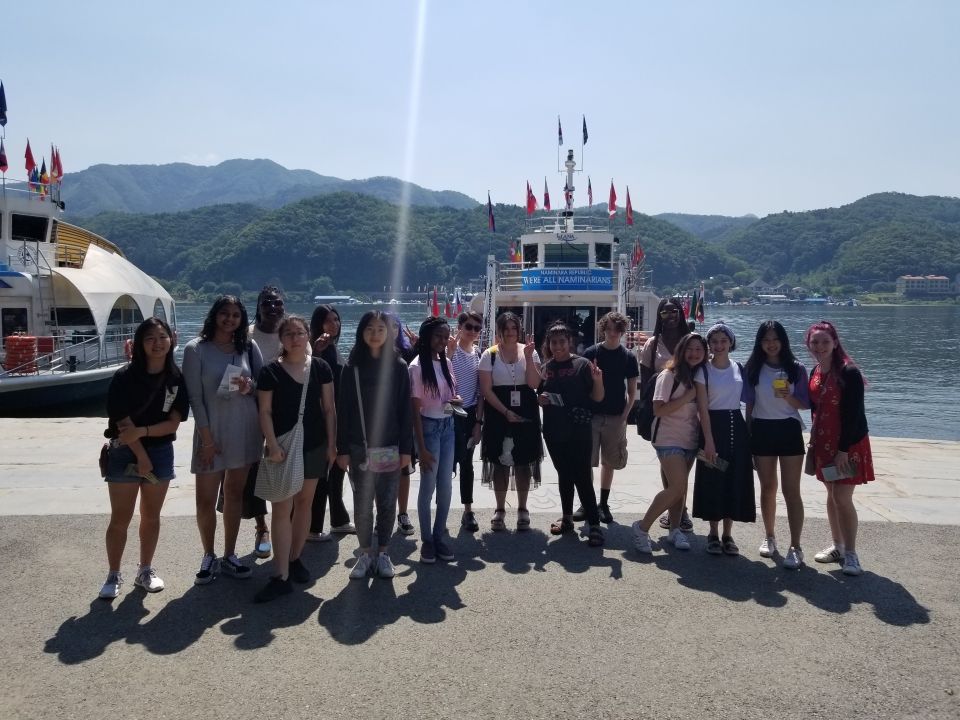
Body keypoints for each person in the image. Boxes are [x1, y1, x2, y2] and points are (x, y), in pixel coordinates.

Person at [98, 318, 189, 598]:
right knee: (120, 518)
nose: (157, 343)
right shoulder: (124, 377)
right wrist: (141, 454)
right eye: (150, 338)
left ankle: (145, 569)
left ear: (171, 340)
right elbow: (122, 422)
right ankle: (113, 574)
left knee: (151, 516)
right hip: (126, 452)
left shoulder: (176, 378)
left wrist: (145, 432)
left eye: (162, 337)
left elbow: (174, 423)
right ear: (140, 343)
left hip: (160, 452)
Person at [253, 316, 336, 602]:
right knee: (281, 507)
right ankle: (280, 574)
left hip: (314, 444)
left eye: (300, 333)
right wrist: (272, 445)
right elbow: (264, 412)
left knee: (304, 504)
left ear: (308, 335)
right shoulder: (269, 372)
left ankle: (294, 557)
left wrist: (332, 445)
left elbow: (328, 409)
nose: (295, 338)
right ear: (281, 339)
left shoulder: (321, 368)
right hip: (283, 446)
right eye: (288, 334)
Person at [182, 295, 263, 584]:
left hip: (243, 429)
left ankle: (229, 554)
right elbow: (194, 398)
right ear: (215, 315)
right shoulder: (196, 349)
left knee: (234, 495)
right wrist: (206, 439)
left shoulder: (248, 347)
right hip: (210, 433)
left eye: (236, 315)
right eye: (225, 314)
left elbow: (261, 389)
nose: (230, 319)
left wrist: (248, 386)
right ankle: (208, 555)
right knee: (205, 500)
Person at [337, 311, 414, 579]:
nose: (375, 333)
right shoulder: (351, 368)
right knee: (361, 503)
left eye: (381, 329)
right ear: (361, 332)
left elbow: (405, 411)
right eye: (370, 328)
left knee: (387, 502)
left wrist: (408, 450)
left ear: (389, 333)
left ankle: (383, 552)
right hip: (359, 446)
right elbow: (342, 411)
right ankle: (365, 552)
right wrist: (342, 449)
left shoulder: (398, 366)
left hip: (390, 445)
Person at [805, 320, 875, 576]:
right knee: (832, 496)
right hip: (824, 444)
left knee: (843, 498)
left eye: (825, 341)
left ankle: (852, 554)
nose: (820, 346)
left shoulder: (849, 372)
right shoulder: (815, 371)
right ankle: (837, 546)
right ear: (808, 344)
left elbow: (855, 414)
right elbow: (815, 409)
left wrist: (843, 450)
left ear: (835, 343)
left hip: (848, 445)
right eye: (815, 342)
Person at [632, 333, 709, 554]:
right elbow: (659, 409)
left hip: (690, 439)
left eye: (699, 350)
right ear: (682, 351)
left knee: (677, 489)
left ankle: (675, 529)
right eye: (690, 349)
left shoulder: (701, 376)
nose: (694, 354)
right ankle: (642, 527)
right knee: (678, 487)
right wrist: (688, 397)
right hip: (667, 438)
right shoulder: (669, 375)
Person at [743, 321, 810, 569]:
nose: (771, 344)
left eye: (775, 339)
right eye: (766, 339)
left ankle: (796, 545)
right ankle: (769, 536)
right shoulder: (753, 368)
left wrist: (788, 397)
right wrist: (747, 433)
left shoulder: (796, 369)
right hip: (761, 428)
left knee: (792, 491)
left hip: (789, 429)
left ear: (783, 341)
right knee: (768, 487)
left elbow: (804, 403)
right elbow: (749, 403)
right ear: (760, 343)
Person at [535, 322, 606, 546]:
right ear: (549, 344)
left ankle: (594, 524)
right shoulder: (547, 367)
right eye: (553, 342)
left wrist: (598, 381)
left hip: (579, 429)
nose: (557, 346)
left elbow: (598, 398)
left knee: (582, 476)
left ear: (570, 342)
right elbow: (540, 394)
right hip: (554, 430)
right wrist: (541, 399)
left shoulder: (583, 364)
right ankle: (567, 519)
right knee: (564, 475)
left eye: (562, 342)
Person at [693, 322, 756, 556]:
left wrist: (749, 433)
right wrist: (708, 440)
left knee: (733, 478)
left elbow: (749, 401)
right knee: (712, 476)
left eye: (723, 341)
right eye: (714, 341)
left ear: (730, 343)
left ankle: (728, 534)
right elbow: (702, 407)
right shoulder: (703, 371)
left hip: (735, 427)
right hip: (712, 427)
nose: (719, 345)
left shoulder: (739, 368)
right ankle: (713, 532)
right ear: (709, 344)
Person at [478, 312, 543, 532]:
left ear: (519, 330)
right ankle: (499, 509)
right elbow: (486, 390)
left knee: (524, 462)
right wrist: (505, 411)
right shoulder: (490, 354)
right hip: (498, 412)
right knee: (499, 463)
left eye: (513, 329)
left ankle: (523, 508)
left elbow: (534, 384)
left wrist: (529, 356)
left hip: (526, 411)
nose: (510, 333)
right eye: (505, 329)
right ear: (500, 331)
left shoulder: (529, 352)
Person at [637, 297, 693, 532]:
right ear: (659, 317)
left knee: (685, 466)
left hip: (690, 412)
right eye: (664, 313)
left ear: (681, 314)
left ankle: (680, 511)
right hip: (663, 414)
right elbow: (646, 380)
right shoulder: (652, 344)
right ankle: (675, 514)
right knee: (669, 465)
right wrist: (643, 412)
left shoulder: (690, 342)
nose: (670, 316)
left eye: (674, 312)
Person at [409, 316, 461, 563]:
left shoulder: (447, 363)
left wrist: (456, 400)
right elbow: (414, 412)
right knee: (427, 487)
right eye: (438, 336)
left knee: (446, 486)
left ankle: (440, 536)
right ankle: (427, 540)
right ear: (427, 336)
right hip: (428, 428)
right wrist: (421, 448)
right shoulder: (417, 367)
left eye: (446, 335)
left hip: (448, 426)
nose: (443, 340)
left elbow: (451, 395)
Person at [581, 311, 639, 523]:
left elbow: (632, 390)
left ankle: (603, 503)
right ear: (603, 329)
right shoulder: (591, 353)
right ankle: (585, 503)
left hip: (616, 416)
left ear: (623, 332)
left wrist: (625, 414)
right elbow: (582, 386)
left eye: (618, 329)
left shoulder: (628, 357)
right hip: (593, 415)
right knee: (586, 461)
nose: (614, 333)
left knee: (609, 462)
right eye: (610, 328)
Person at [242, 285, 285, 559]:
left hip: (285, 413)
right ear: (258, 306)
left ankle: (287, 523)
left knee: (284, 467)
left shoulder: (290, 332)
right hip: (250, 412)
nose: (272, 308)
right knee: (254, 470)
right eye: (267, 303)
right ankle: (261, 527)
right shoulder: (245, 335)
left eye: (277, 303)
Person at [307, 304, 356, 540]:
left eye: (336, 320)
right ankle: (313, 527)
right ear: (317, 324)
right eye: (328, 320)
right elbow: (306, 379)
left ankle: (338, 519)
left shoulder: (334, 348)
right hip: (321, 419)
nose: (333, 324)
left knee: (337, 471)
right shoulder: (313, 349)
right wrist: (315, 352)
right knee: (322, 475)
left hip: (338, 416)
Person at [447, 311, 484, 532]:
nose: (472, 332)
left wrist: (479, 422)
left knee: (467, 465)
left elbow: (481, 393)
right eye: (468, 327)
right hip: (449, 413)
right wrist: (449, 354)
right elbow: (441, 377)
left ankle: (468, 510)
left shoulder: (479, 353)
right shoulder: (449, 351)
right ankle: (440, 511)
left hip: (469, 414)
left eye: (477, 328)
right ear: (459, 326)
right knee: (445, 466)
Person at [386, 312, 418, 536]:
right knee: (382, 470)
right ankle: (384, 515)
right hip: (381, 425)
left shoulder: (408, 354)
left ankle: (403, 513)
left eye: (395, 327)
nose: (391, 331)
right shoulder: (370, 356)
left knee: (404, 470)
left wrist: (418, 347)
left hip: (403, 421)